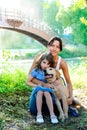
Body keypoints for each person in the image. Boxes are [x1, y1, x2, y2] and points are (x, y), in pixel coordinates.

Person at [28, 36, 80, 106]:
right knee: (34, 109)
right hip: (40, 87)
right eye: (52, 45)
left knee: (58, 99)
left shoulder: (62, 63)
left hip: (54, 88)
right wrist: (43, 84)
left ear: (60, 50)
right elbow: (30, 76)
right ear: (48, 46)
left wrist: (71, 96)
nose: (54, 49)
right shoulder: (39, 57)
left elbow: (68, 82)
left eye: (57, 47)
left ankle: (69, 99)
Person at [26, 53, 59, 124]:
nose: (45, 65)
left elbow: (54, 80)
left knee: (46, 92)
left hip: (47, 90)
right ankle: (39, 114)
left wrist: (52, 84)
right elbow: (27, 82)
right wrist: (36, 86)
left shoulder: (49, 71)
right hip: (38, 89)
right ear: (40, 61)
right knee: (40, 91)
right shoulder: (36, 71)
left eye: (48, 64)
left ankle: (52, 114)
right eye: (44, 62)